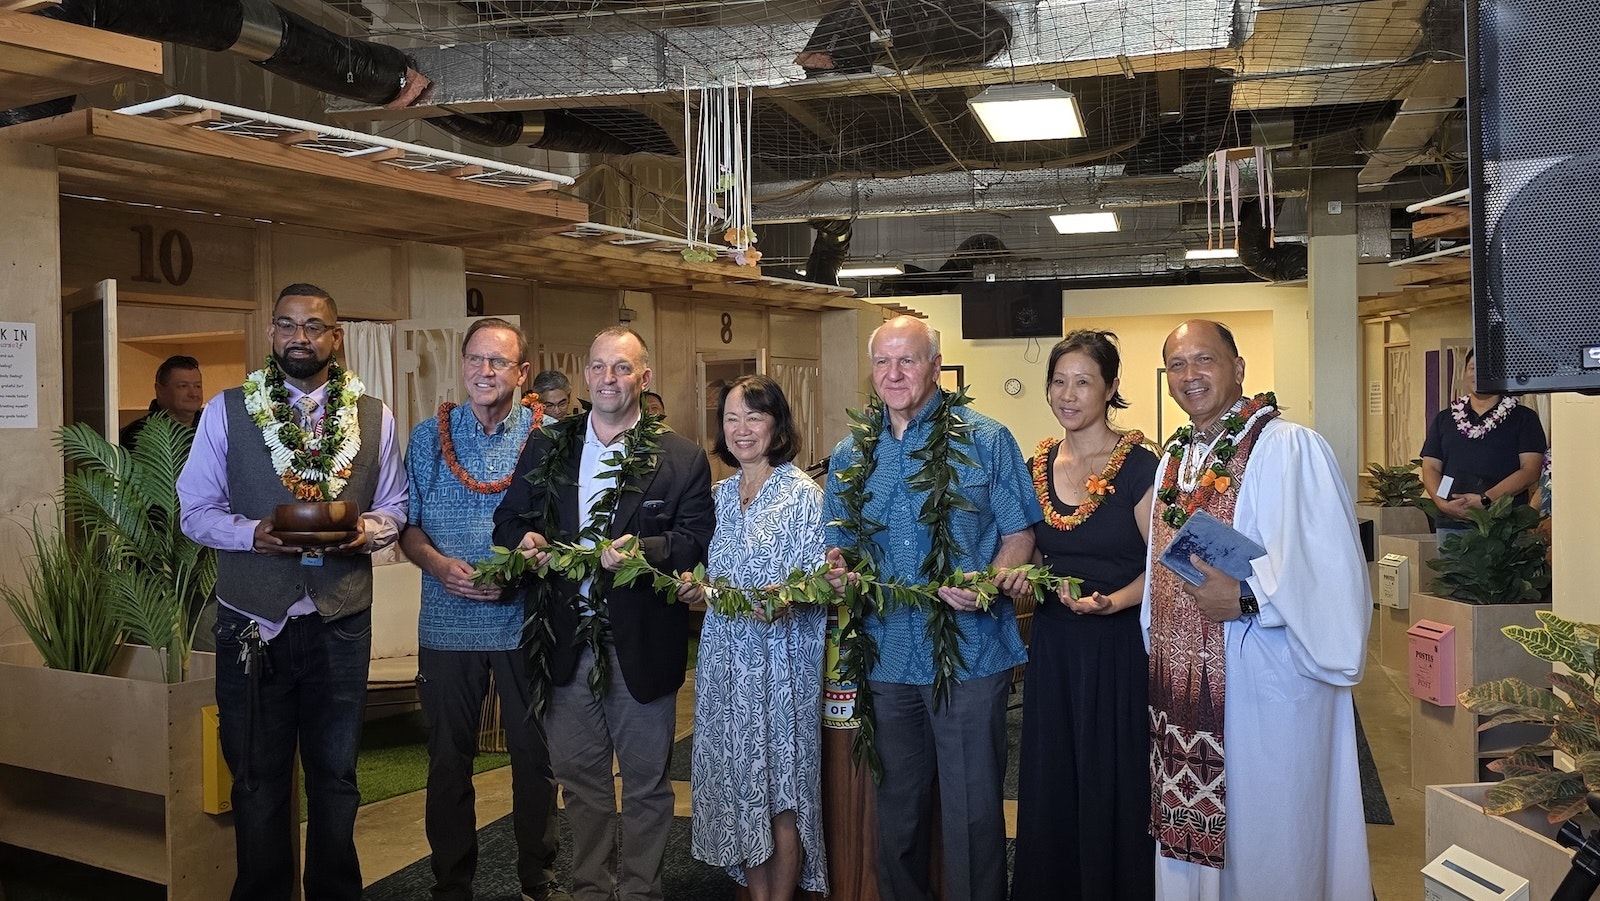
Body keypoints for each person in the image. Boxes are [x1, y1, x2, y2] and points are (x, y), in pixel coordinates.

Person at [178, 283, 408, 901]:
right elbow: (193, 510)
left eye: (313, 326)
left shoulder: (375, 415)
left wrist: (365, 533)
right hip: (252, 623)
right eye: (285, 325)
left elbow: (396, 506)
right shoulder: (228, 411)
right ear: (272, 334)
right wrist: (252, 533)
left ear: (335, 338)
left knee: (336, 778)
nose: (298, 336)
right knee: (255, 779)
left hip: (341, 622)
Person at [1145, 320, 1370, 901]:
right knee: (1196, 842)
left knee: (1270, 835)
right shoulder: (1176, 457)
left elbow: (1334, 576)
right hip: (1185, 684)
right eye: (1177, 364)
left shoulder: (1289, 447)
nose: (1190, 375)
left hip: (1267, 681)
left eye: (1205, 360)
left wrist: (1248, 598)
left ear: (1239, 368)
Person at [492, 327, 715, 901]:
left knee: (645, 785)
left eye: (622, 368)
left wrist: (645, 552)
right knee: (582, 784)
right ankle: (591, 889)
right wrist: (528, 541)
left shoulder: (682, 455)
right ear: (585, 375)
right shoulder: (551, 445)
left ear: (644, 377)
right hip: (566, 644)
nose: (608, 379)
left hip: (640, 642)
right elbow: (509, 520)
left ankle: (640, 891)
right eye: (598, 367)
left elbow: (694, 539)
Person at [821, 315, 1038, 901]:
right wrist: (839, 573)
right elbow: (837, 548)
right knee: (897, 808)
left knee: (971, 810)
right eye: (883, 362)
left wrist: (989, 582)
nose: (894, 374)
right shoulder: (849, 453)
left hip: (970, 654)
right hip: (887, 654)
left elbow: (1020, 537)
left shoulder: (986, 438)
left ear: (936, 366)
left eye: (908, 360)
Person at [399, 318, 566, 901]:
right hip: (446, 625)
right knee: (448, 762)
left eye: (499, 362)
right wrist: (441, 566)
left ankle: (538, 879)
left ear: (522, 374)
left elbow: (564, 530)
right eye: (475, 359)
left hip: (524, 622)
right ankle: (452, 884)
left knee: (534, 759)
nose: (485, 371)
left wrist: (520, 571)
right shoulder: (426, 437)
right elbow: (408, 527)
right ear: (463, 365)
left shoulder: (550, 439)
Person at [999, 330, 1157, 901]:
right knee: (1054, 776)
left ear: (1111, 389)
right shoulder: (1033, 464)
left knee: (1113, 775)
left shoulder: (1140, 466)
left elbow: (1167, 564)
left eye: (1084, 382)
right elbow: (1032, 548)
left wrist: (1113, 601)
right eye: (1059, 381)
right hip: (1056, 646)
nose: (1069, 394)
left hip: (1119, 645)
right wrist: (1018, 576)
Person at [686, 375, 828, 901]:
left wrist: (787, 595)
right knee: (738, 784)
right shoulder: (715, 498)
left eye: (755, 417)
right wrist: (691, 590)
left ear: (777, 424)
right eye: (731, 418)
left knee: (780, 792)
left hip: (780, 668)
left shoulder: (802, 495)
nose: (742, 430)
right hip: (724, 665)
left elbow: (822, 583)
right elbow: (707, 580)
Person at [1419, 348, 1546, 541]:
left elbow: (1530, 470)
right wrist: (1442, 504)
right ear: (1464, 373)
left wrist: (1486, 499)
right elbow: (1430, 467)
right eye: (1472, 368)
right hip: (1452, 524)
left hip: (1504, 525)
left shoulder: (1524, 418)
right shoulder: (1445, 419)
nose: (1477, 375)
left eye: (1486, 370)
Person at [120, 354, 204, 450]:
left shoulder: (214, 430)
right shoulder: (135, 435)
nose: (193, 394)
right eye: (183, 386)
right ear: (159, 390)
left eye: (197, 386)